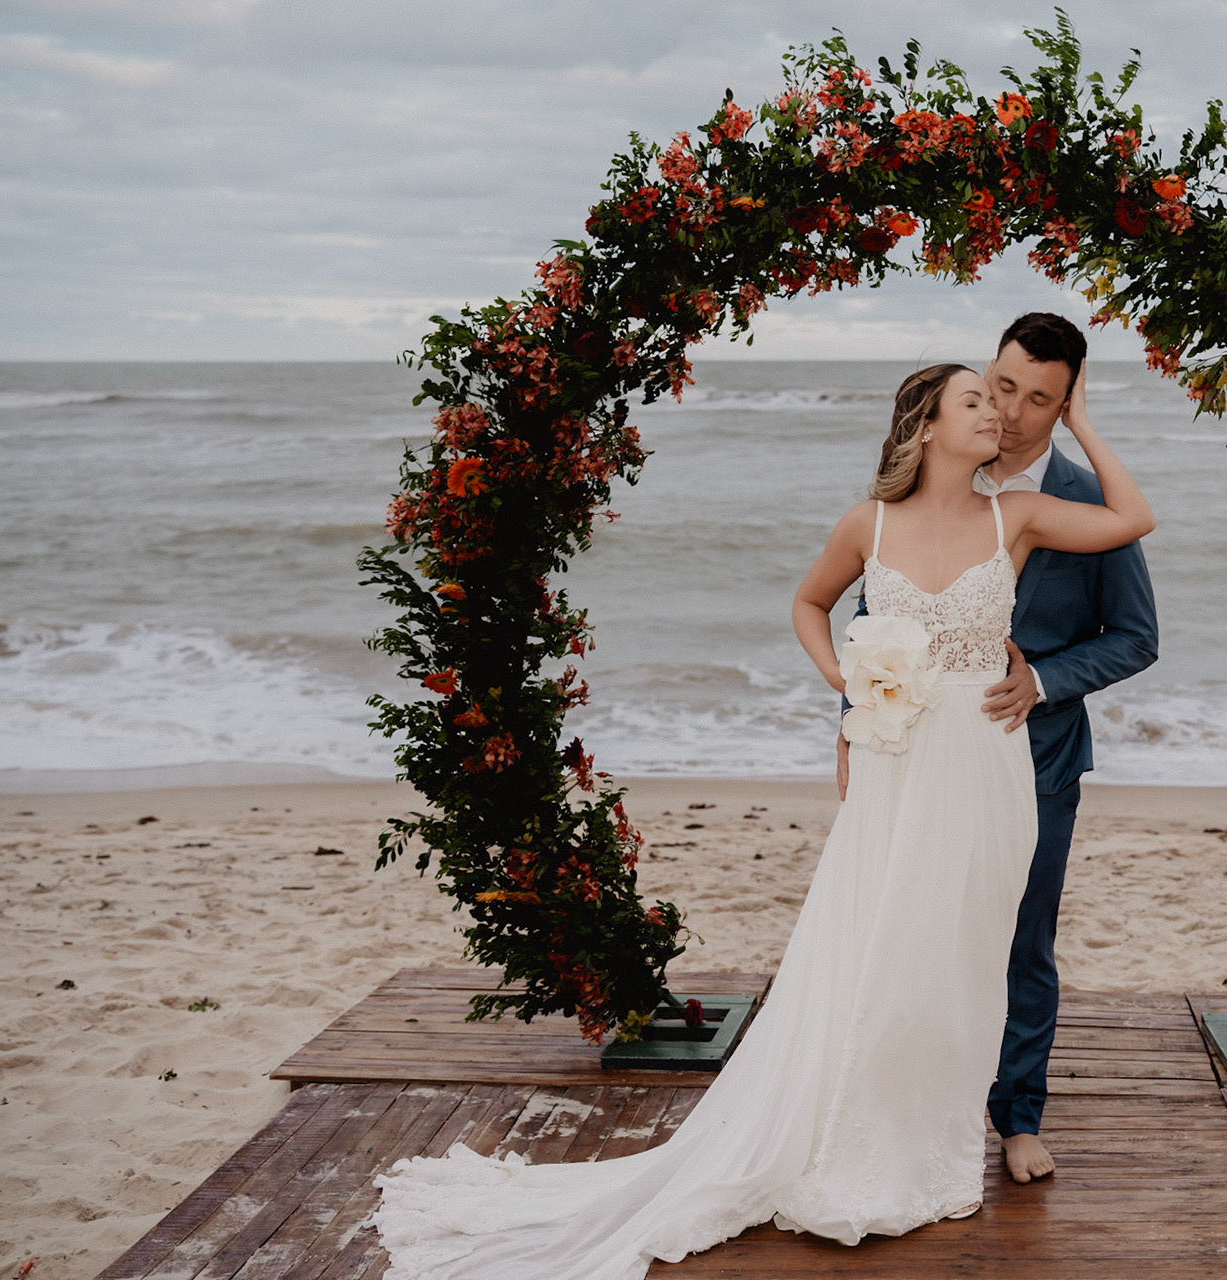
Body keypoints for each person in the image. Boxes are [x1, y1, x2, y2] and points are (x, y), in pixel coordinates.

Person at [364, 361, 1155, 1279]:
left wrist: (1088, 423)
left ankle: (930, 1139)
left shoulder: (1013, 517)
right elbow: (810, 604)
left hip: (986, 765)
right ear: (928, 427)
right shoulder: (870, 522)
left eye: (1002, 401)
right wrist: (847, 680)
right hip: (898, 761)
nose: (999, 416)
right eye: (976, 401)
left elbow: (1132, 520)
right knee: (881, 946)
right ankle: (854, 1140)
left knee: (962, 956)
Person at [840, 312, 1159, 1184]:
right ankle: (906, 1108)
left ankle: (1017, 1117)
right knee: (907, 928)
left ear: (1065, 406)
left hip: (1034, 757)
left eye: (1040, 399)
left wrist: (1044, 680)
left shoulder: (1084, 500)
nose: (1013, 412)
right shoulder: (929, 474)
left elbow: (1135, 637)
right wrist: (852, 716)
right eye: (1003, 385)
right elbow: (875, 615)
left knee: (1021, 940)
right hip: (911, 751)